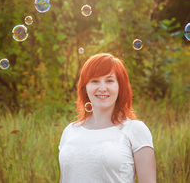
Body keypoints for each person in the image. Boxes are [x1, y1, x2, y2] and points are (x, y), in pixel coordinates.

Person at [58, 53, 156, 183]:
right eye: (95, 81)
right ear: (85, 87)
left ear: (120, 87)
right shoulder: (70, 131)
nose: (102, 88)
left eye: (109, 81)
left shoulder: (135, 130)